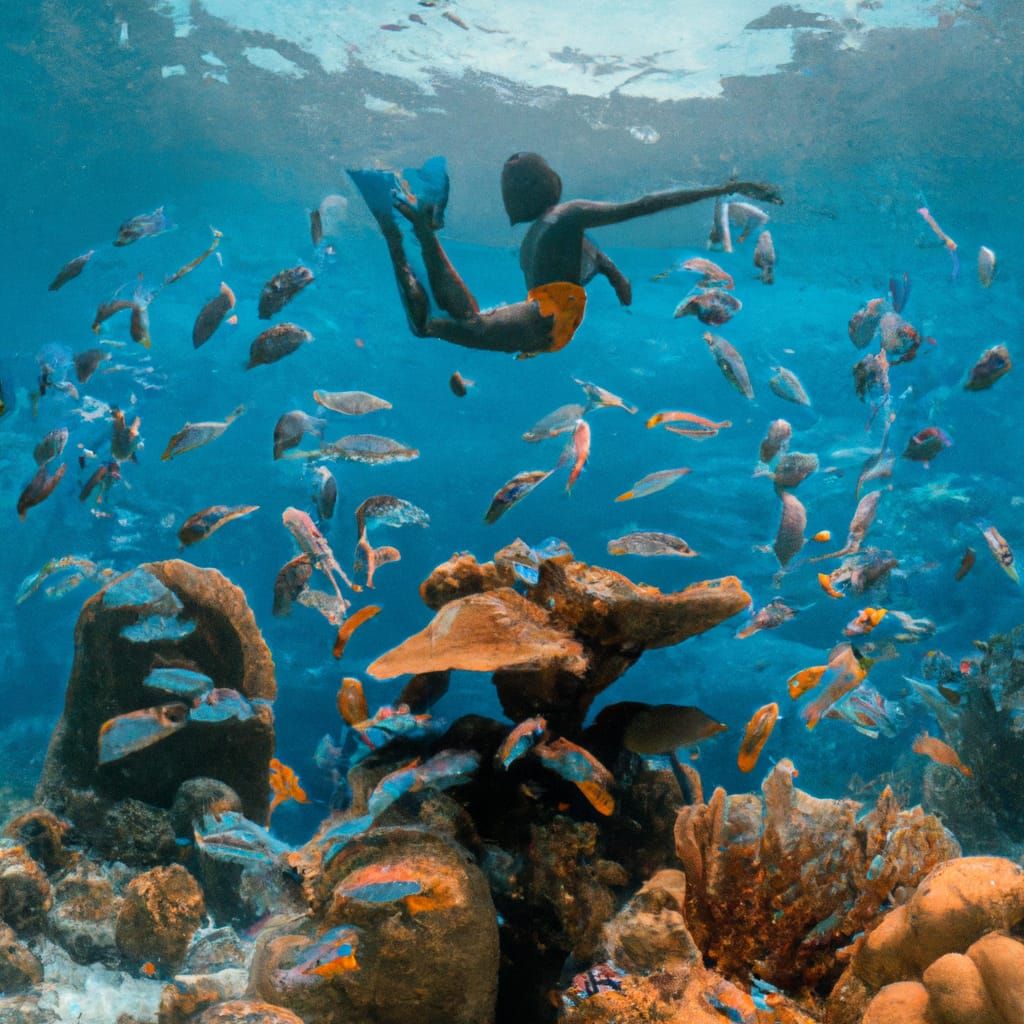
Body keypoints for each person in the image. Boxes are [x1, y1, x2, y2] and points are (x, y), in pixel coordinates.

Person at [347, 153, 782, 357]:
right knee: (453, 324)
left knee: (434, 327)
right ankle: (419, 231)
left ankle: (401, 228)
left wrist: (614, 275)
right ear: (548, 184)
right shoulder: (565, 216)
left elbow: (584, 254)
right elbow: (643, 204)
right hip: (548, 318)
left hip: (547, 315)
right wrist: (724, 188)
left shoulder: (540, 234)